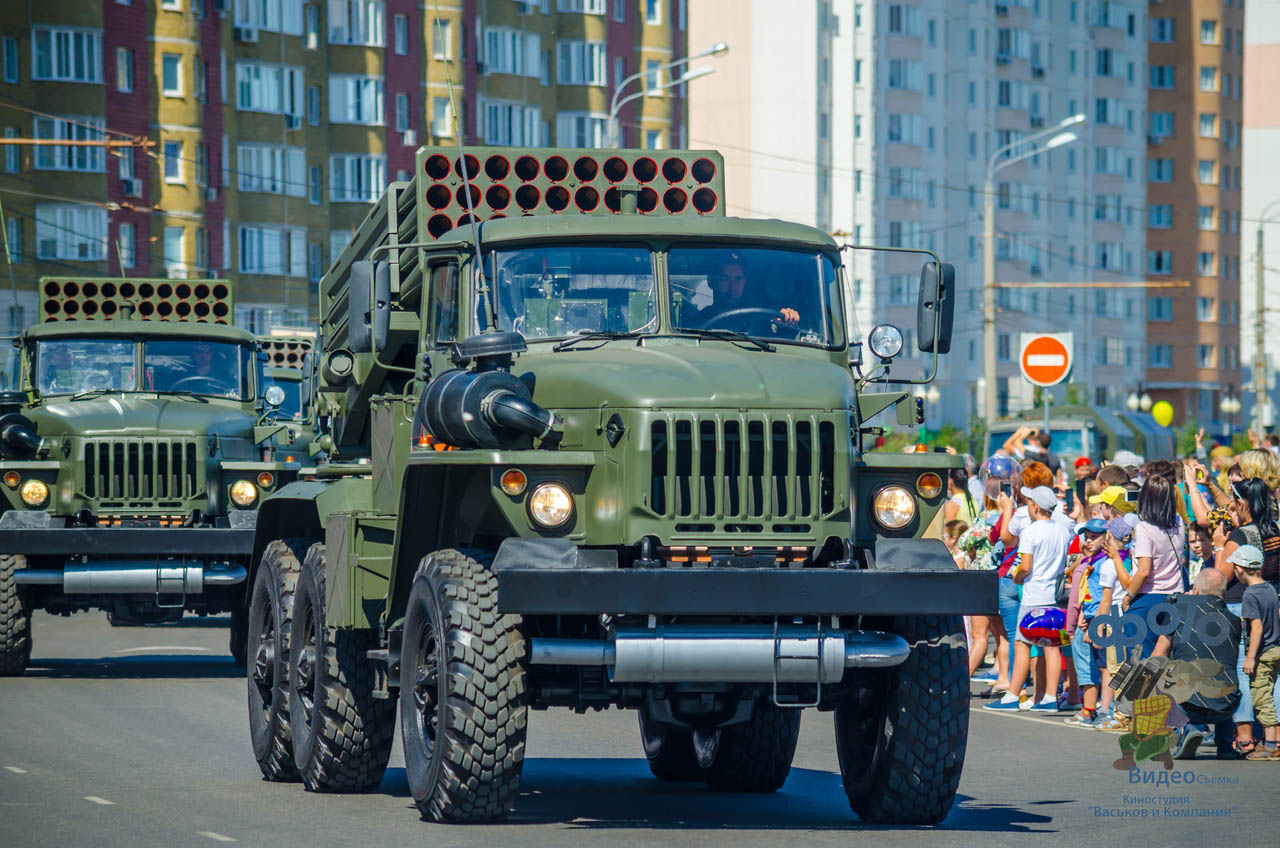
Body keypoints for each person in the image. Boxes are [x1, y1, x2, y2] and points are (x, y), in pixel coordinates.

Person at [984, 485, 1071, 713]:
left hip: (1034, 594)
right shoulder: (1062, 530)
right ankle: (1051, 697)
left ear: (1035, 506)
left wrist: (1017, 576)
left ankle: (1013, 695)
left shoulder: (1031, 532)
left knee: (1022, 644)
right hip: (1053, 593)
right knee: (1051, 646)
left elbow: (1025, 566)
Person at [1214, 476, 1280, 757]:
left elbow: (1219, 577)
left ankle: (1244, 737)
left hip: (1242, 604)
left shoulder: (1240, 537)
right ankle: (1274, 739)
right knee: (1274, 674)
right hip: (1273, 601)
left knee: (1243, 669)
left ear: (1241, 503)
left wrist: (1220, 544)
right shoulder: (1275, 529)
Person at [1151, 568, 1243, 761]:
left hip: (1189, 703)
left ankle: (1188, 729)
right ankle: (1225, 745)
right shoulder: (1234, 620)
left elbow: (1159, 654)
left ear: (1196, 590)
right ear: (1224, 594)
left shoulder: (1179, 611)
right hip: (1227, 704)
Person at [1124, 475, 1188, 660]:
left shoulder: (1144, 528)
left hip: (1148, 597)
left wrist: (1128, 596)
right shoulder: (1178, 522)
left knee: (1140, 658)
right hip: (1175, 596)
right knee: (1167, 657)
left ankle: (1144, 690)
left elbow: (1144, 570)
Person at [1235, 544, 1280, 760]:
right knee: (1271, 692)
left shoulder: (1249, 595)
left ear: (1240, 570)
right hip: (1276, 649)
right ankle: (1271, 741)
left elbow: (1257, 627)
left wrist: (1250, 657)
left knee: (1261, 698)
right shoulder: (1270, 589)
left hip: (1262, 654)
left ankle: (1271, 745)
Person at [1064, 518, 1109, 727]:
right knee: (1097, 666)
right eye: (1087, 537)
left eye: (1094, 537)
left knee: (1092, 666)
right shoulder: (1090, 562)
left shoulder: (1096, 565)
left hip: (1096, 620)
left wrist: (1070, 627)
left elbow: (1076, 600)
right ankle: (1094, 709)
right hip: (1089, 616)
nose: (1088, 542)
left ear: (1106, 538)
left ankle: (1093, 710)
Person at [693, 260, 800, 328]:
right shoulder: (698, 320)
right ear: (711, 281)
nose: (732, 287)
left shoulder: (762, 319)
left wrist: (788, 318)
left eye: (738, 279)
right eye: (724, 279)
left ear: (745, 282)